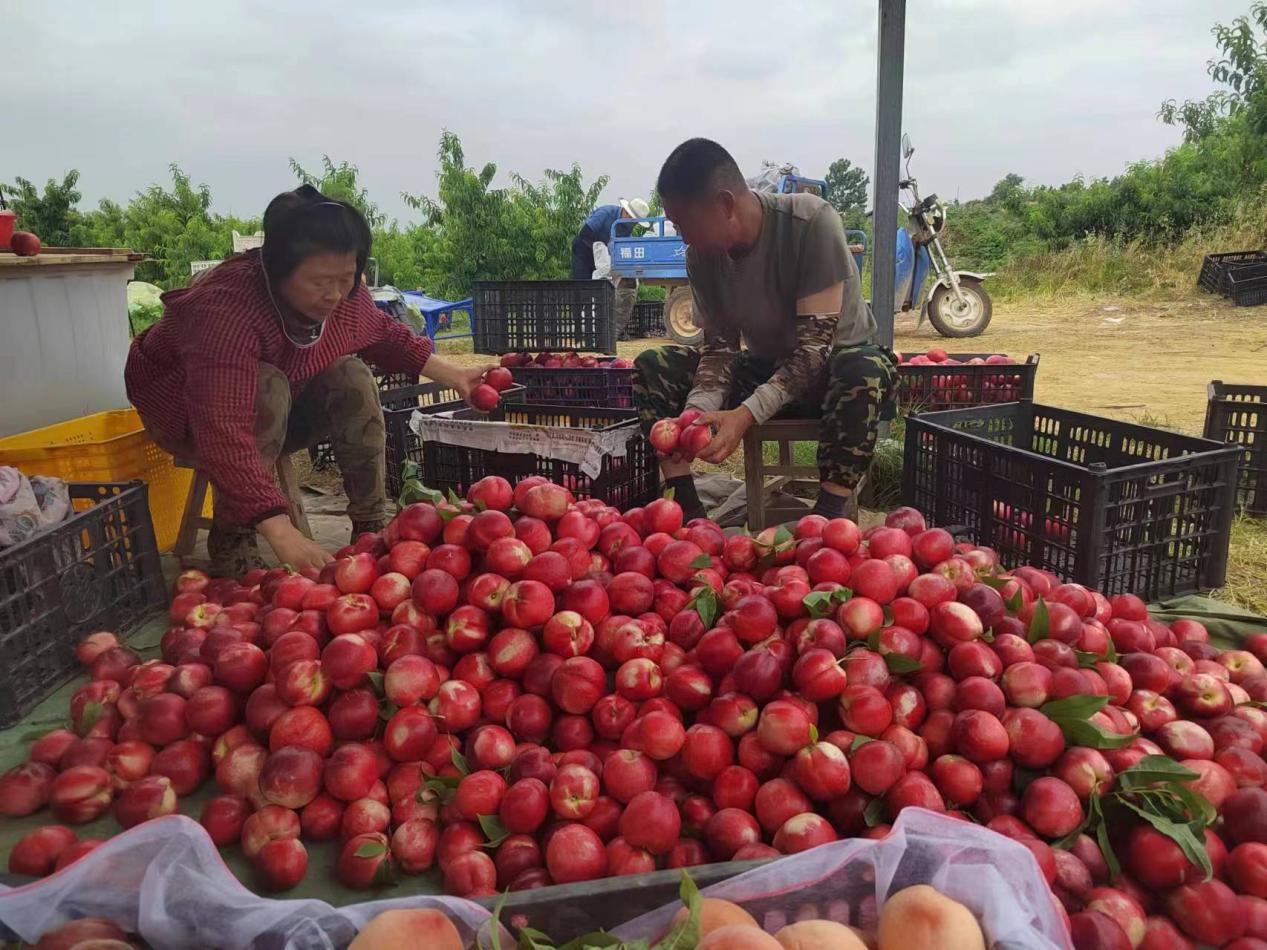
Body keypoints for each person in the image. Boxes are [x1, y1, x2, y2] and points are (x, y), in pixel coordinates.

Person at [126, 184, 490, 576]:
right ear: (277, 271)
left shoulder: (344, 295)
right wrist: (279, 529)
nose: (335, 294)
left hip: (278, 398)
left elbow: (384, 334)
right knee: (266, 387)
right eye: (319, 282)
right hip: (186, 412)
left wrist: (457, 377)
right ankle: (233, 535)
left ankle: (370, 523)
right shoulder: (225, 310)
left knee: (352, 375)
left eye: (346, 277)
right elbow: (222, 426)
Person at [634, 138, 897, 524]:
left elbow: (813, 353)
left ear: (724, 205)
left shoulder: (811, 223)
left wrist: (743, 416)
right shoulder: (701, 256)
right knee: (656, 363)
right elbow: (720, 351)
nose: (683, 236)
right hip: (764, 369)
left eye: (684, 223)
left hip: (832, 375)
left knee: (862, 369)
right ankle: (688, 513)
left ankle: (825, 522)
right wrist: (693, 419)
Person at [570, 197, 651, 280]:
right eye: (633, 222)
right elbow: (585, 232)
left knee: (602, 283)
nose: (633, 225)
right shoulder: (606, 213)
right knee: (582, 282)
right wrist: (603, 248)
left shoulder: (627, 230)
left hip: (605, 260)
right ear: (627, 213)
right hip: (584, 248)